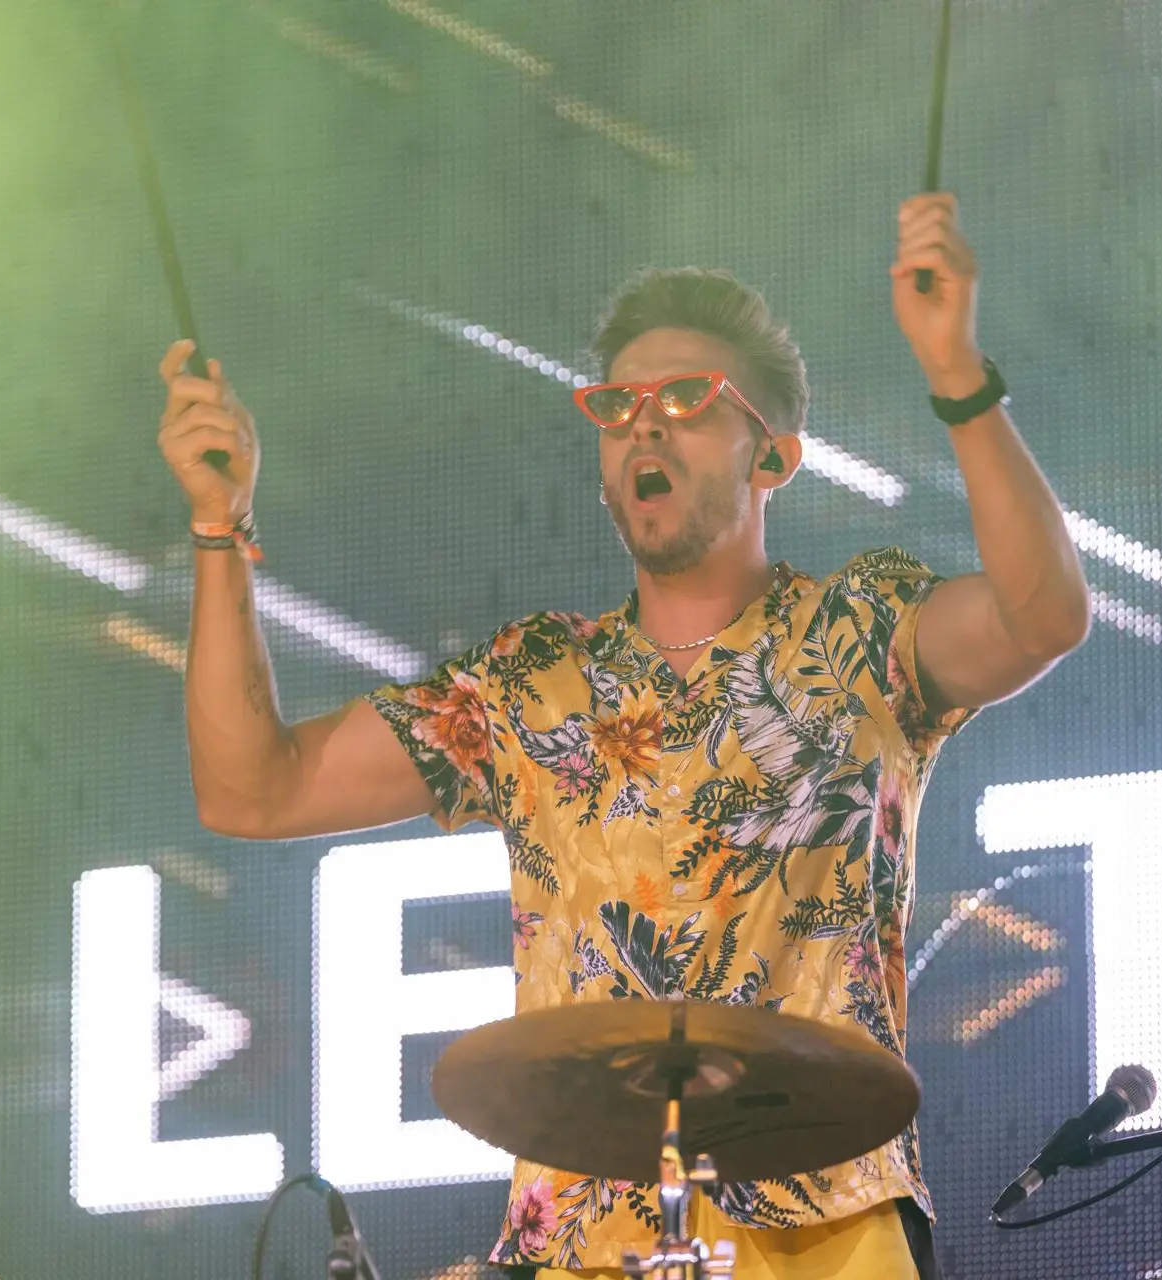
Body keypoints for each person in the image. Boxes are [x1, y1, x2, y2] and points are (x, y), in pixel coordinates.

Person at [157, 193, 1090, 1280]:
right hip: (580, 1244)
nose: (644, 425)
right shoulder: (529, 683)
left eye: (687, 399)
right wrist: (218, 528)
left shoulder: (856, 629)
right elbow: (250, 789)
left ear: (772, 455)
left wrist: (956, 375)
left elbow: (1042, 616)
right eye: (618, 407)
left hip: (830, 1235)